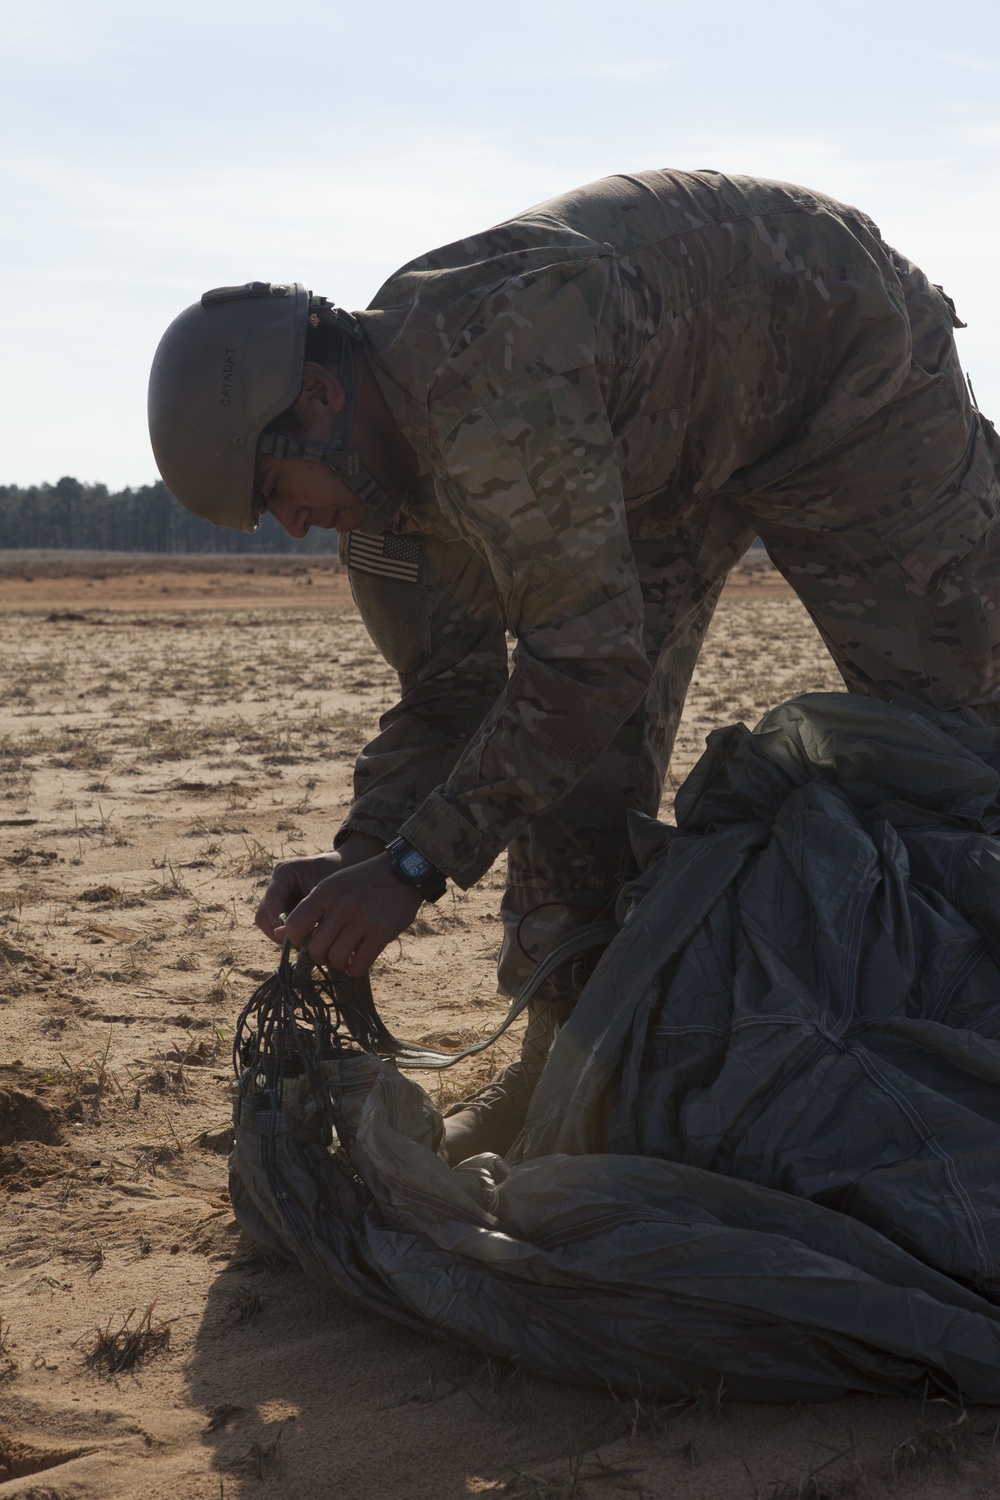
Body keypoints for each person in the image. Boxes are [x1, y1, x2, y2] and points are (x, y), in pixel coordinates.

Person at [148, 167, 1000, 1162]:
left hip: (841, 368)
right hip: (656, 453)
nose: (292, 525)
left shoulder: (487, 379)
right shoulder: (373, 501)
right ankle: (565, 1060)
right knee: (566, 766)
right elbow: (451, 700)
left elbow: (584, 664)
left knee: (954, 727)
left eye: (277, 486)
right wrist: (365, 849)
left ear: (322, 396)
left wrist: (417, 868)